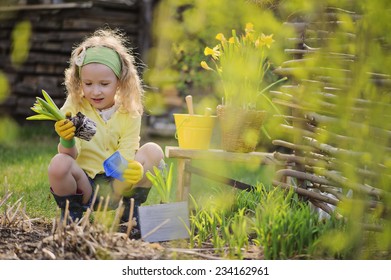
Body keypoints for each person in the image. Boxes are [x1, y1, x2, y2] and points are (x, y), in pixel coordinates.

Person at [48, 28, 164, 230]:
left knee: (154, 151)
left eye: (104, 83)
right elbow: (69, 156)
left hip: (118, 186)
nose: (95, 91)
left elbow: (128, 149)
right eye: (88, 83)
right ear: (79, 81)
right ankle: (72, 217)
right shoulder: (75, 105)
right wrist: (66, 139)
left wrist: (132, 170)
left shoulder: (129, 109)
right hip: (85, 186)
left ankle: (128, 215)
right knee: (58, 163)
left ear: (119, 81)